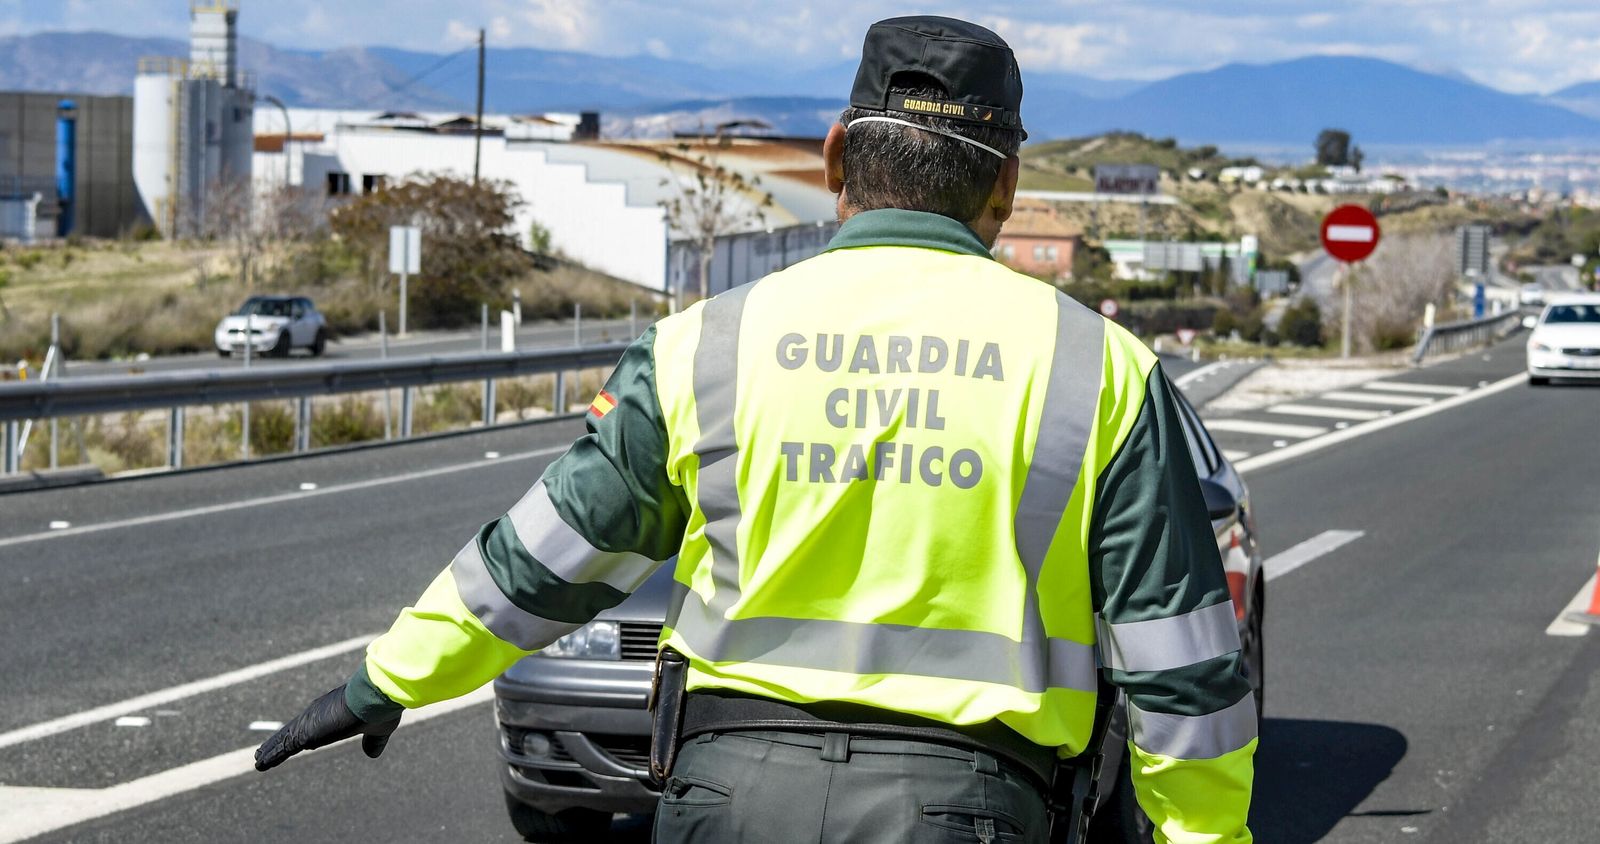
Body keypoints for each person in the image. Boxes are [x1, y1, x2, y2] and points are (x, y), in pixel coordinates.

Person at [255, 15, 1256, 843]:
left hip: (725, 798)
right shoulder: (1102, 370)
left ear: (833, 159)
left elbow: (551, 554)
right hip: (970, 807)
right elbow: (1181, 664)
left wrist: (387, 680)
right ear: (1005, 186)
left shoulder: (705, 345)